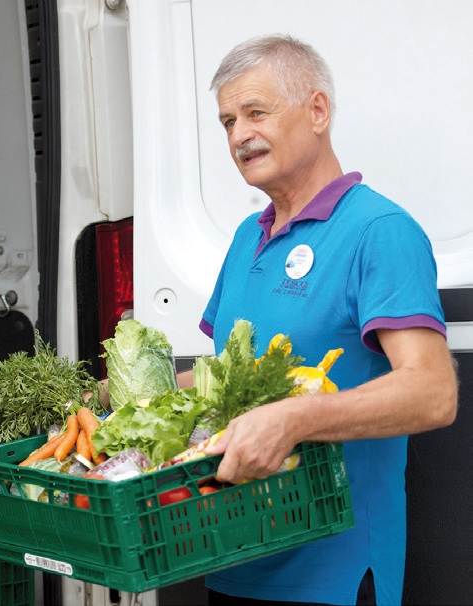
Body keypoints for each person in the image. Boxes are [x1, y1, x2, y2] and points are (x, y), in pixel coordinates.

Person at [176, 34, 458, 606]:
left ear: (318, 111)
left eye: (256, 113)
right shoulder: (245, 238)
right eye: (227, 121)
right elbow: (225, 380)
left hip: (335, 574)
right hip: (232, 557)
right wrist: (114, 397)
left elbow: (433, 393)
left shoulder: (379, 230)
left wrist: (294, 420)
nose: (238, 135)